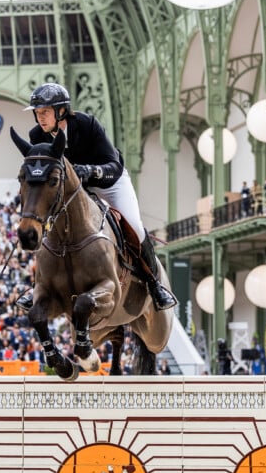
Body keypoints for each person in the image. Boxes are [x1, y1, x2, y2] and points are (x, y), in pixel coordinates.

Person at [16, 83, 176, 312]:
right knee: (49, 231)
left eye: (45, 112)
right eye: (37, 113)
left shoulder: (87, 124)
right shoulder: (37, 136)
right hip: (74, 191)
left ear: (61, 111)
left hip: (109, 183)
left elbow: (112, 164)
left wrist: (90, 171)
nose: (40, 118)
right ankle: (38, 286)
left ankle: (154, 284)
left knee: (135, 227)